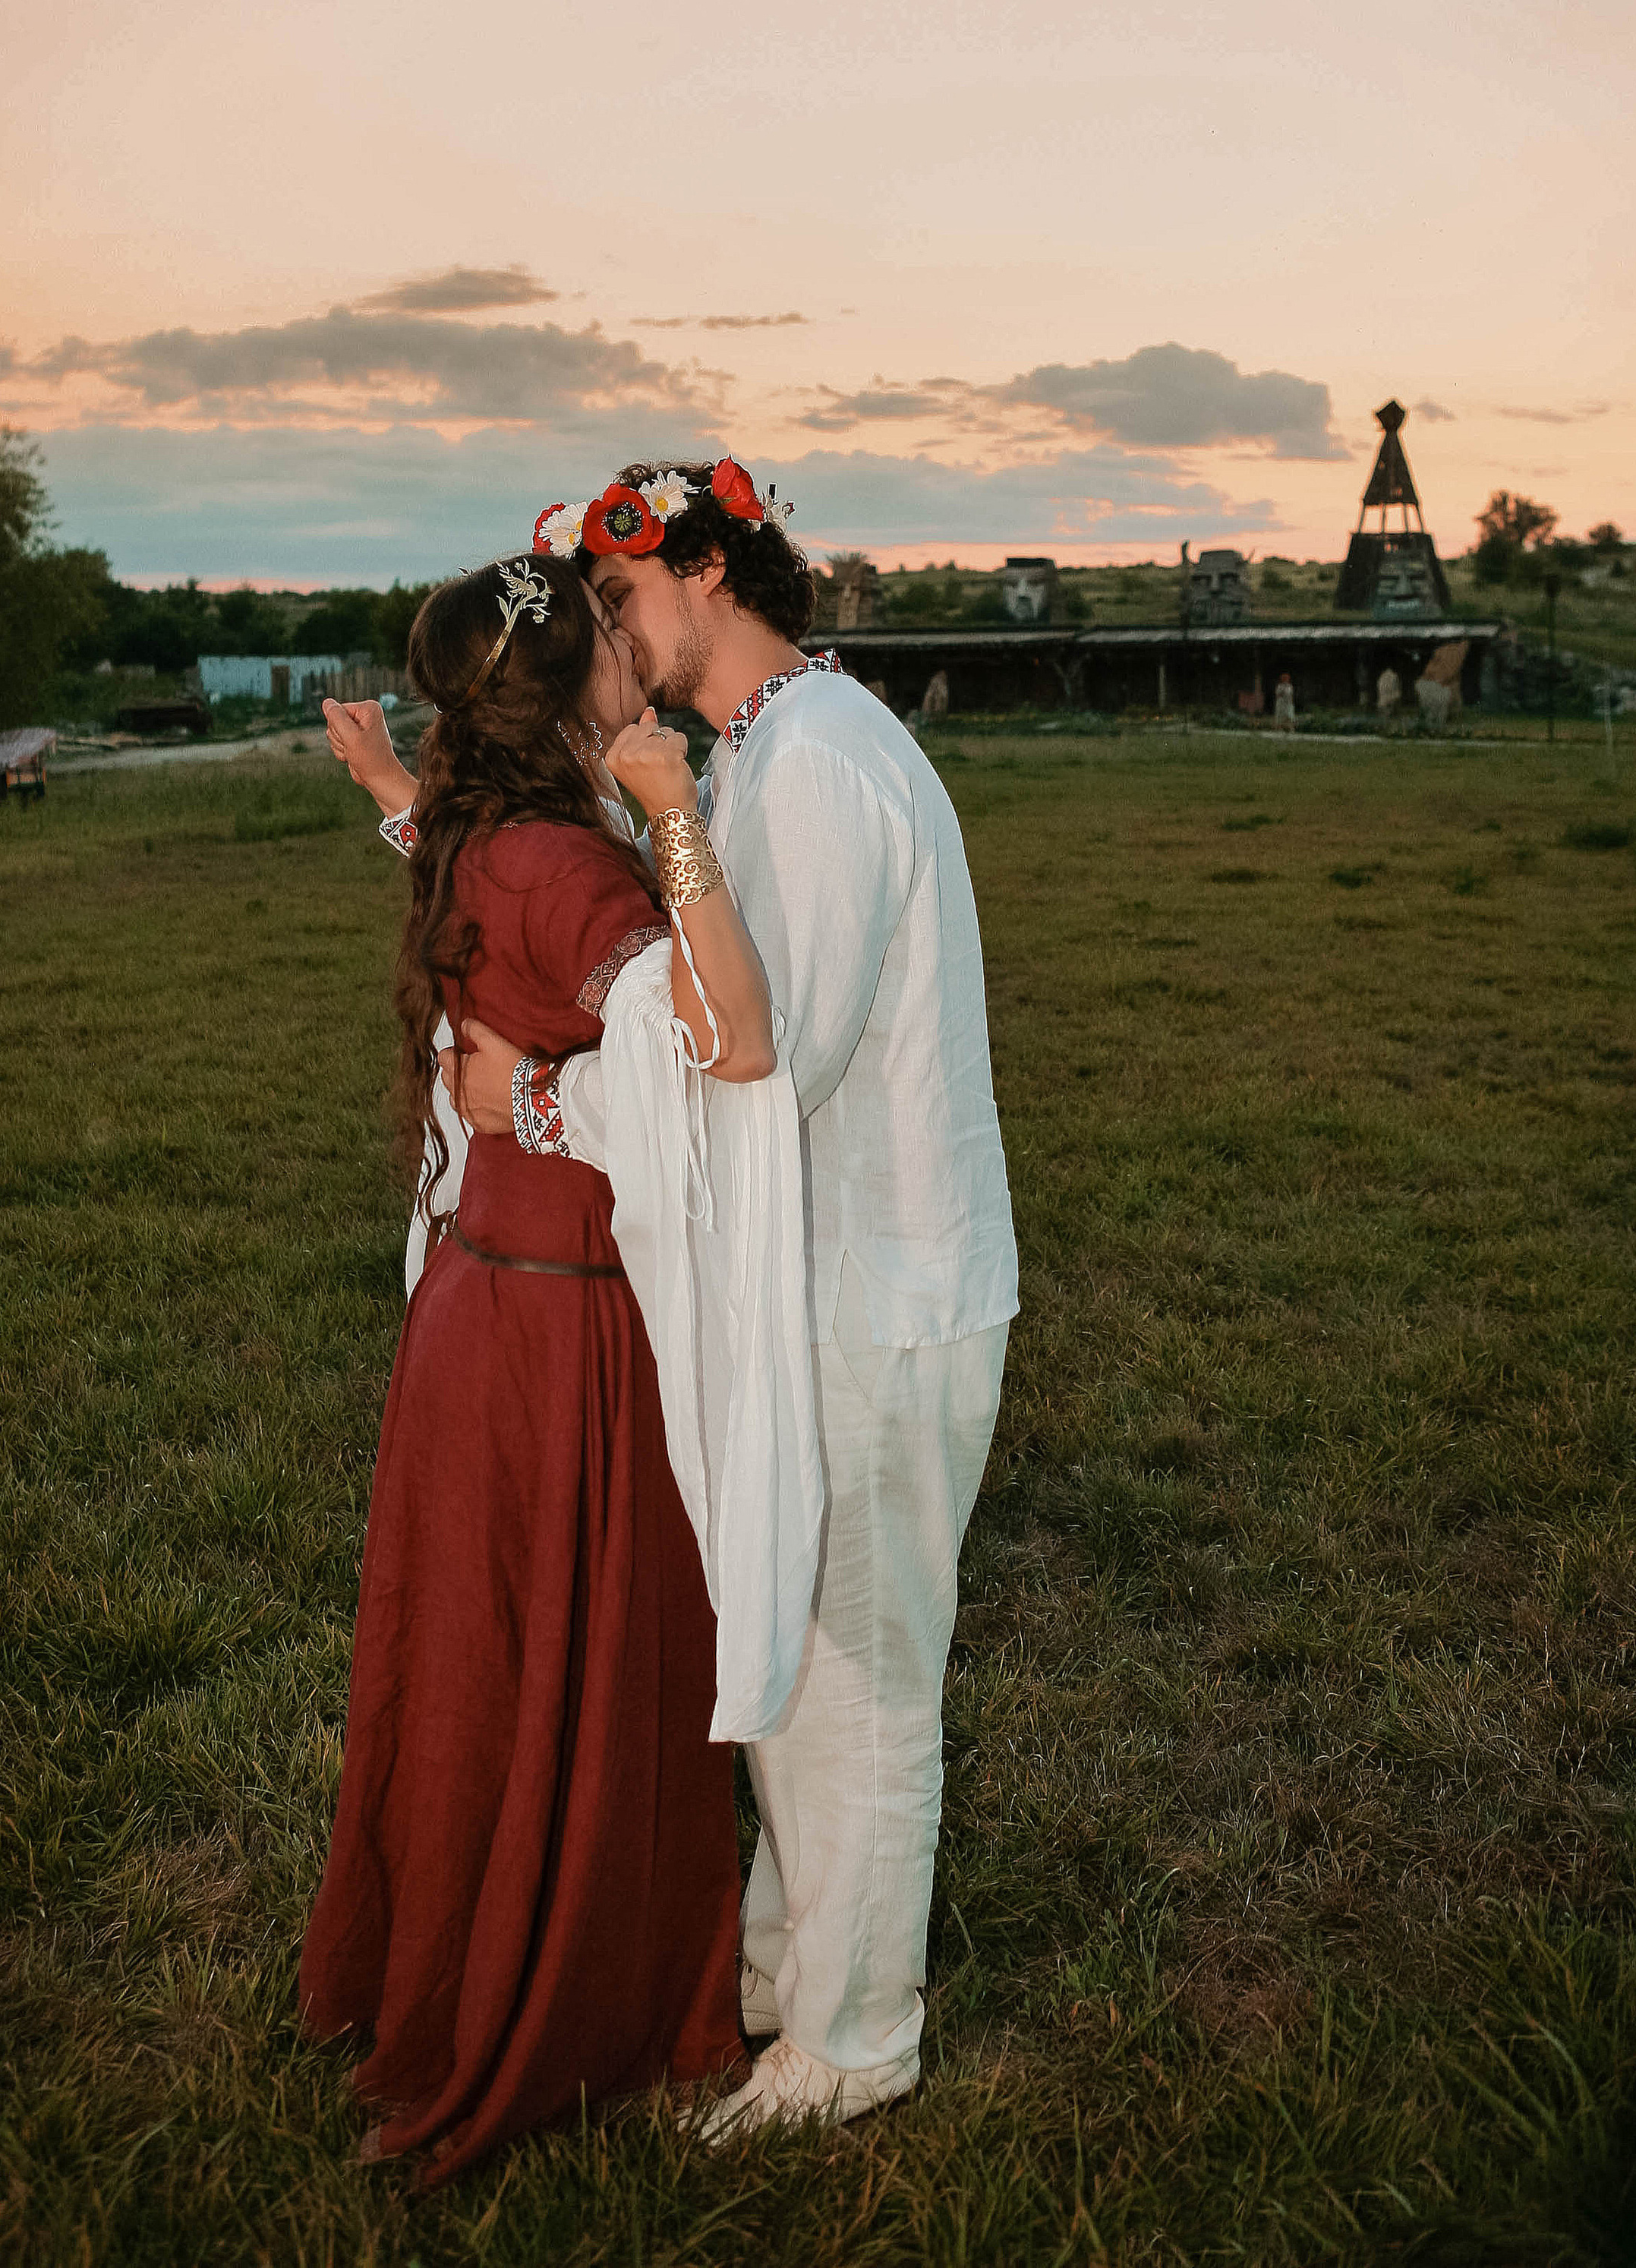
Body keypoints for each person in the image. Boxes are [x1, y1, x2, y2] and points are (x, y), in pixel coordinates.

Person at [347, 458, 1020, 2137]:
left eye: (628, 596)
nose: (616, 635)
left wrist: (532, 1113)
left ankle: (856, 2040)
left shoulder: (811, 772)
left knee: (855, 1672)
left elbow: (743, 1076)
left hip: (876, 1281)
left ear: (711, 571)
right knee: (795, 1648)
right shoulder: (768, 753)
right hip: (816, 1274)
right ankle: (795, 1977)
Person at [300, 550, 782, 2185]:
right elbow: (732, 1040)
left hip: (477, 1308)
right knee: (585, 1641)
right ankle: (569, 1991)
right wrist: (675, 820)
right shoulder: (570, 873)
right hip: (563, 1318)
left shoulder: (475, 843)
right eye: (606, 648)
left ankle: (450, 1955)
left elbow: (446, 867)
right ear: (570, 683)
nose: (630, 665)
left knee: (486, 1649)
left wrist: (382, 782)